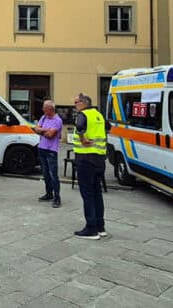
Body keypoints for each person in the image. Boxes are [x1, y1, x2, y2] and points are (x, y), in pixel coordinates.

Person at [69, 92, 108, 239]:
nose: (75, 106)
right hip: (99, 159)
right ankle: (100, 226)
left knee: (87, 194)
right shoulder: (98, 115)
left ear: (83, 103)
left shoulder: (83, 114)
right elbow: (107, 128)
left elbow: (79, 126)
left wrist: (82, 137)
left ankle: (91, 229)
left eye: (76, 103)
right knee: (97, 193)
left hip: (85, 159)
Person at [34, 99, 63, 208]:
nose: (43, 110)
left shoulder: (57, 120)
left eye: (44, 108)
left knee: (53, 174)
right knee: (45, 173)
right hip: (41, 148)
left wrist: (42, 130)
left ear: (50, 109)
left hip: (51, 150)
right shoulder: (43, 117)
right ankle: (49, 193)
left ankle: (57, 198)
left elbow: (51, 135)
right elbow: (36, 129)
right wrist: (45, 130)